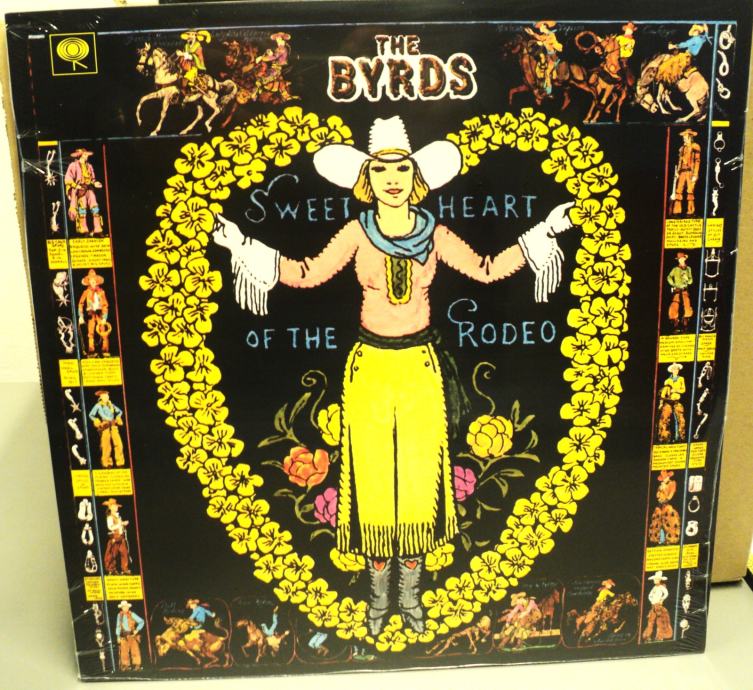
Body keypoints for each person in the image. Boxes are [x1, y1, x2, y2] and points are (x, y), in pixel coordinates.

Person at [212, 115, 574, 635]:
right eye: (380, 169)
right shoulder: (357, 232)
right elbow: (308, 272)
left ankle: (411, 596)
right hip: (370, 367)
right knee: (375, 481)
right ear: (367, 179)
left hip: (420, 367)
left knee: (421, 479)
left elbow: (487, 268)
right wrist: (241, 244)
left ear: (416, 176)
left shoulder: (435, 232)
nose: (392, 178)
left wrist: (545, 231)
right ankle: (379, 600)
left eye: (401, 168)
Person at [64, 148, 104, 235]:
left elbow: (92, 178)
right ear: (80, 155)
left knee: (95, 207)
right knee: (82, 209)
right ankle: (83, 230)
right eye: (85, 155)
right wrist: (76, 186)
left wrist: (95, 183)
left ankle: (98, 229)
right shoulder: (73, 165)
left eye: (87, 155)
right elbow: (68, 178)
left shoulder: (89, 166)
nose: (87, 156)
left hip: (89, 188)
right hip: (80, 190)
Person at [524, 21, 562, 97]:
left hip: (553, 57)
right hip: (548, 56)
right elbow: (540, 38)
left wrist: (542, 42)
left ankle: (549, 91)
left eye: (541, 26)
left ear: (545, 26)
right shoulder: (545, 35)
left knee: (547, 73)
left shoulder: (551, 34)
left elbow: (545, 41)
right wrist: (532, 33)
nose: (540, 28)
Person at [78, 269, 110, 357]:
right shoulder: (86, 292)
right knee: (90, 331)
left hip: (100, 313)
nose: (93, 282)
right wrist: (80, 316)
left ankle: (105, 349)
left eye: (94, 280)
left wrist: (105, 317)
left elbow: (105, 305)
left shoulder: (101, 292)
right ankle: (91, 350)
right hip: (91, 313)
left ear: (97, 281)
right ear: (89, 282)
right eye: (91, 280)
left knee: (103, 330)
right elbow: (80, 304)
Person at [89, 390, 125, 467]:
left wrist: (118, 417)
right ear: (101, 397)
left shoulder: (111, 405)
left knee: (119, 444)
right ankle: (106, 462)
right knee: (106, 445)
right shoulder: (98, 405)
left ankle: (120, 462)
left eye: (107, 395)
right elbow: (91, 415)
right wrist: (97, 421)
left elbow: (120, 411)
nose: (106, 397)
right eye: (104, 396)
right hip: (105, 426)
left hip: (113, 425)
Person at [670, 129, 701, 216]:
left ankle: (690, 211)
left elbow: (697, 161)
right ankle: (677, 211)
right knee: (678, 190)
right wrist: (677, 172)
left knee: (690, 191)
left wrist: (695, 174)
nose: (684, 138)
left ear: (690, 137)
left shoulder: (695, 146)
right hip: (682, 172)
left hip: (690, 172)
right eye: (683, 137)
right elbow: (679, 161)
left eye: (685, 137)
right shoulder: (682, 148)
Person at [648, 470, 681, 544]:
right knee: (657, 521)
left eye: (664, 476)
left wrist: (666, 498)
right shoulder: (662, 485)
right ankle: (659, 539)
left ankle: (670, 539)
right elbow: (658, 493)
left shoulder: (672, 483)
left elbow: (671, 492)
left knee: (670, 521)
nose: (663, 478)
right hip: (661, 503)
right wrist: (659, 495)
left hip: (667, 503)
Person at [657, 363, 686, 443]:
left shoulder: (681, 379)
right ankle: (664, 438)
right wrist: (661, 403)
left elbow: (683, 390)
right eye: (674, 369)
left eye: (677, 369)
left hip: (677, 401)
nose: (676, 370)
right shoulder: (667, 380)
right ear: (672, 370)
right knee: (665, 418)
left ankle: (680, 437)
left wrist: (675, 390)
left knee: (681, 419)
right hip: (668, 401)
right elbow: (663, 393)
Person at [667, 251, 694, 331]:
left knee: (687, 305)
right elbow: (669, 277)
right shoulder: (675, 269)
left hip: (685, 290)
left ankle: (685, 322)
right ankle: (675, 323)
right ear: (678, 260)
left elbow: (691, 281)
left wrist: (687, 279)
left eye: (682, 258)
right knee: (675, 304)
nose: (681, 260)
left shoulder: (688, 269)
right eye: (679, 259)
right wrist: (673, 284)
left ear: (685, 259)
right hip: (677, 290)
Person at [642, 572, 672, 641]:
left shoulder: (661, 587)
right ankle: (647, 636)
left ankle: (660, 636)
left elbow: (666, 593)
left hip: (658, 606)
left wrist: (662, 599)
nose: (655, 580)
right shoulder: (654, 588)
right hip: (653, 606)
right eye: (654, 579)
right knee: (650, 621)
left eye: (656, 579)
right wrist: (651, 600)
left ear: (659, 580)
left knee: (660, 621)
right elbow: (650, 595)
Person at [103, 498, 131, 574]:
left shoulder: (118, 516)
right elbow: (110, 527)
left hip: (121, 537)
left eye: (116, 506)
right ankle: (111, 569)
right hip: (115, 537)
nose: (117, 507)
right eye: (115, 506)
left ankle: (125, 569)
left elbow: (119, 526)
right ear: (110, 507)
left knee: (124, 553)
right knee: (113, 554)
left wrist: (123, 524)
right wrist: (121, 524)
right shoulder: (110, 517)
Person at [115, 601, 144, 671]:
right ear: (121, 608)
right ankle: (125, 666)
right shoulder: (119, 615)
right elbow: (118, 626)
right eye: (123, 607)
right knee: (124, 652)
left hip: (132, 635)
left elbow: (141, 621)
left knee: (135, 650)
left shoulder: (132, 614)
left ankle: (137, 665)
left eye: (126, 606)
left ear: (128, 607)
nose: (124, 608)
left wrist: (137, 630)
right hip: (123, 636)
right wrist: (118, 636)